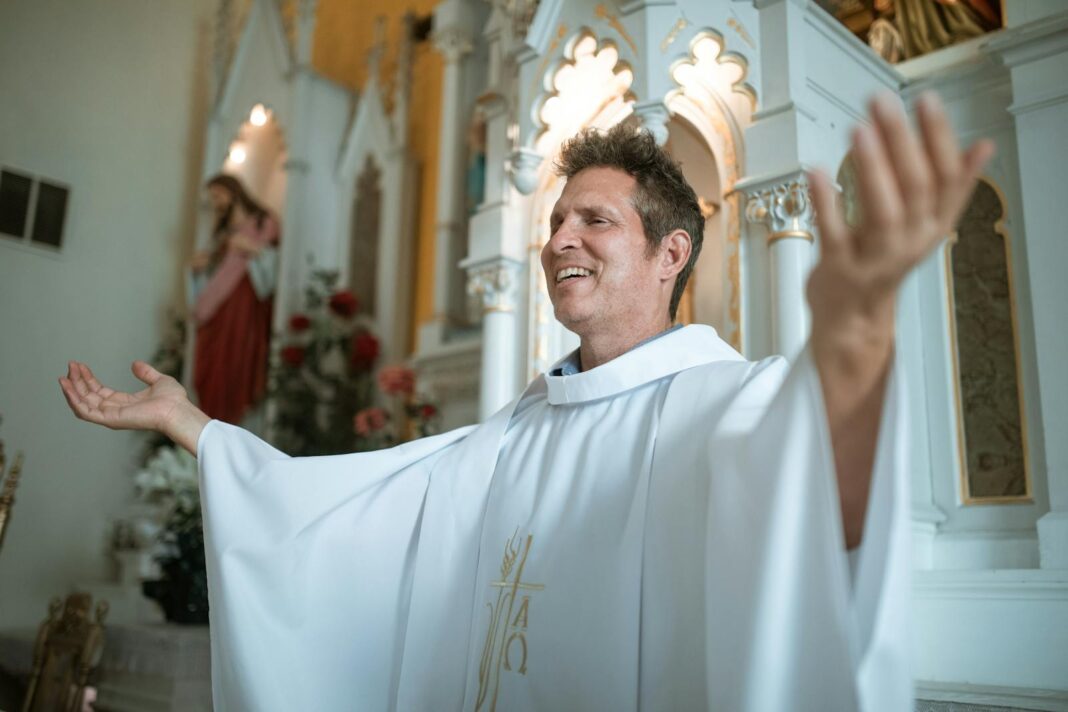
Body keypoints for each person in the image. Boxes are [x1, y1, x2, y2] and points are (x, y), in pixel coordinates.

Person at [59, 93, 992, 711]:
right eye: (555, 221)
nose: (559, 241)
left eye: (596, 220)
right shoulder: (517, 431)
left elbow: (823, 509)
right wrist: (196, 426)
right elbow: (338, 508)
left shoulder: (726, 403)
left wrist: (856, 337)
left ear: (672, 256)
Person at [187, 174, 280, 425]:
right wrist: (198, 269)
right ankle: (211, 421)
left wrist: (251, 249)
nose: (216, 202)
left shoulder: (263, 222)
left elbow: (276, 267)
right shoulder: (222, 232)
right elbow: (214, 274)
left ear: (233, 192)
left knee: (236, 360)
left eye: (218, 195)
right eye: (212, 198)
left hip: (244, 304)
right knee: (212, 366)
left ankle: (231, 420)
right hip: (217, 308)